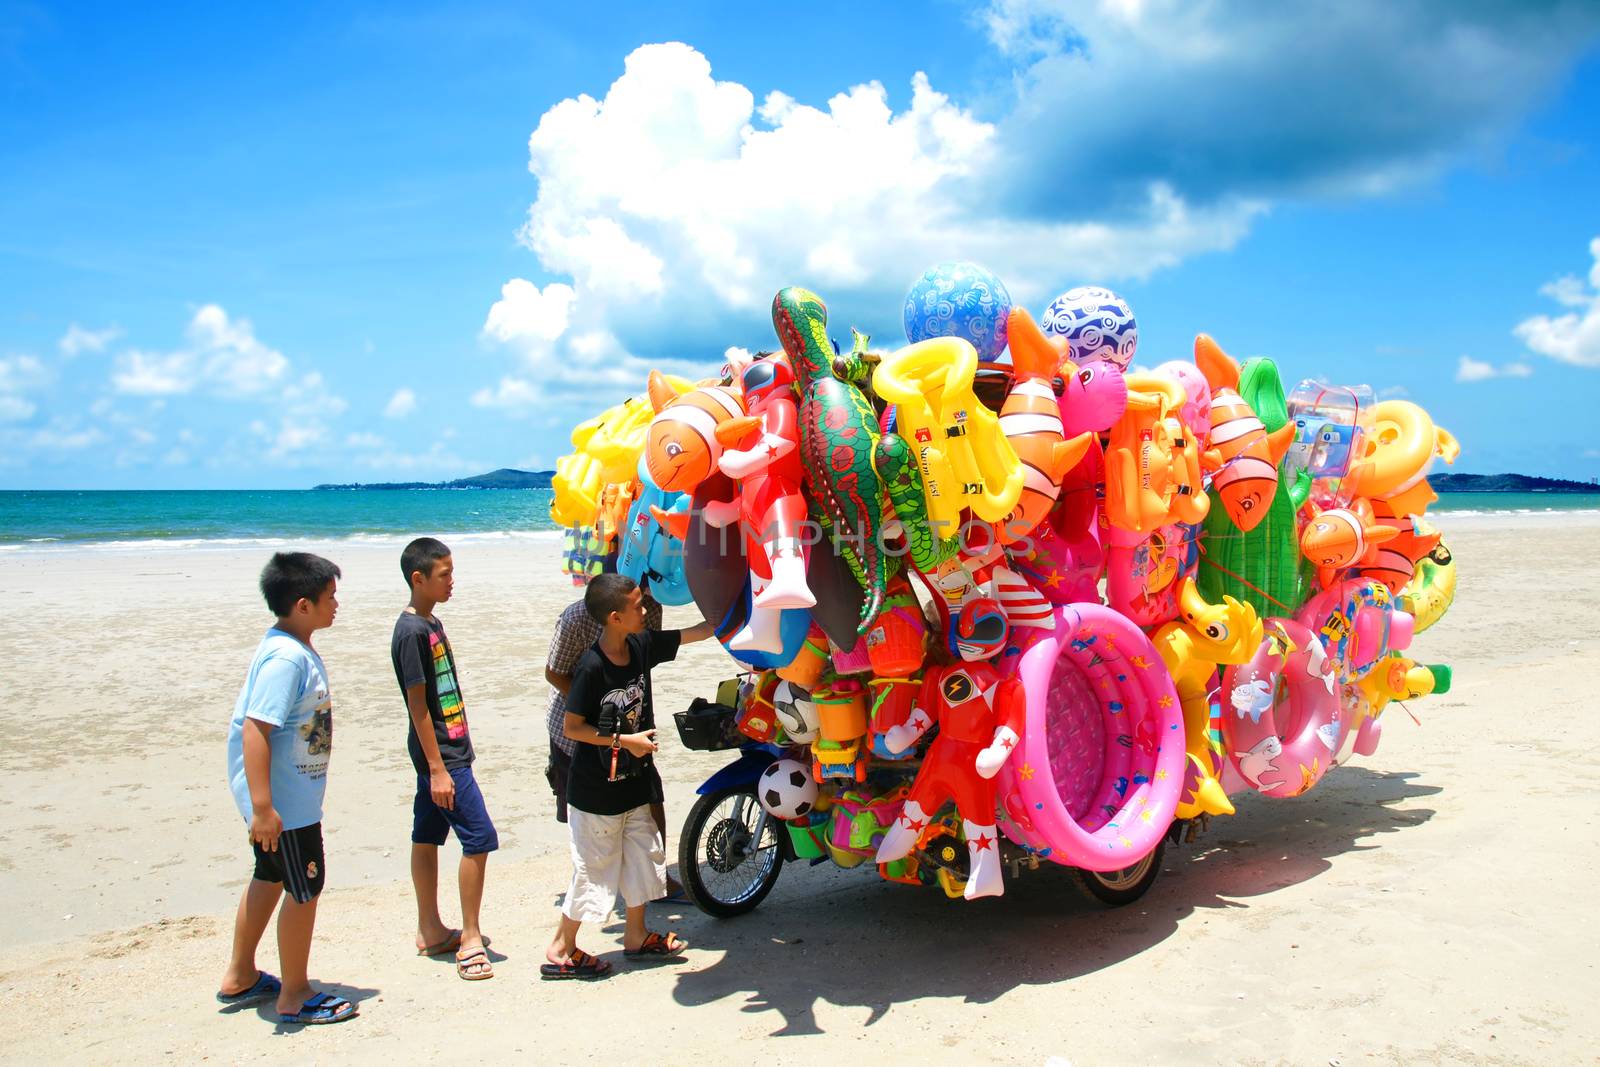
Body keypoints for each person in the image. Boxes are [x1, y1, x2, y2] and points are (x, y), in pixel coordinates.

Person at [542, 574, 714, 979]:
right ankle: (561, 947)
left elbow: (696, 633)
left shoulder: (640, 646)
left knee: (644, 853)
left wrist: (731, 609)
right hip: (595, 789)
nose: (646, 610)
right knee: (594, 867)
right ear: (616, 617)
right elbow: (573, 728)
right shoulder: (590, 667)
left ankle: (635, 936)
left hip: (634, 779)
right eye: (638, 606)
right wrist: (625, 739)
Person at [216, 552, 357, 1025]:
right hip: (284, 806)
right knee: (305, 888)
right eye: (330, 597)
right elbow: (255, 729)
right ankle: (294, 993)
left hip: (284, 800)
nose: (336, 604)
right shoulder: (286, 658)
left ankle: (240, 975)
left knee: (271, 876)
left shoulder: (291, 645)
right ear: (302, 604)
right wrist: (263, 807)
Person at [392, 537, 498, 981]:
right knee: (479, 838)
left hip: (442, 751)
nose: (452, 581)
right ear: (419, 579)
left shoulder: (429, 621)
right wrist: (438, 768)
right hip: (442, 756)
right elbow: (417, 705)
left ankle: (430, 928)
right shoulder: (413, 631)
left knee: (427, 834)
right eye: (444, 574)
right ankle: (469, 937)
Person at [544, 585, 685, 898]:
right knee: (592, 819)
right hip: (582, 733)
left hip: (631, 731)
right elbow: (554, 674)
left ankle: (655, 882)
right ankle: (594, 887)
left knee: (649, 802)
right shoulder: (577, 619)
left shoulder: (648, 608)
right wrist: (599, 717)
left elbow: (642, 663)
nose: (644, 610)